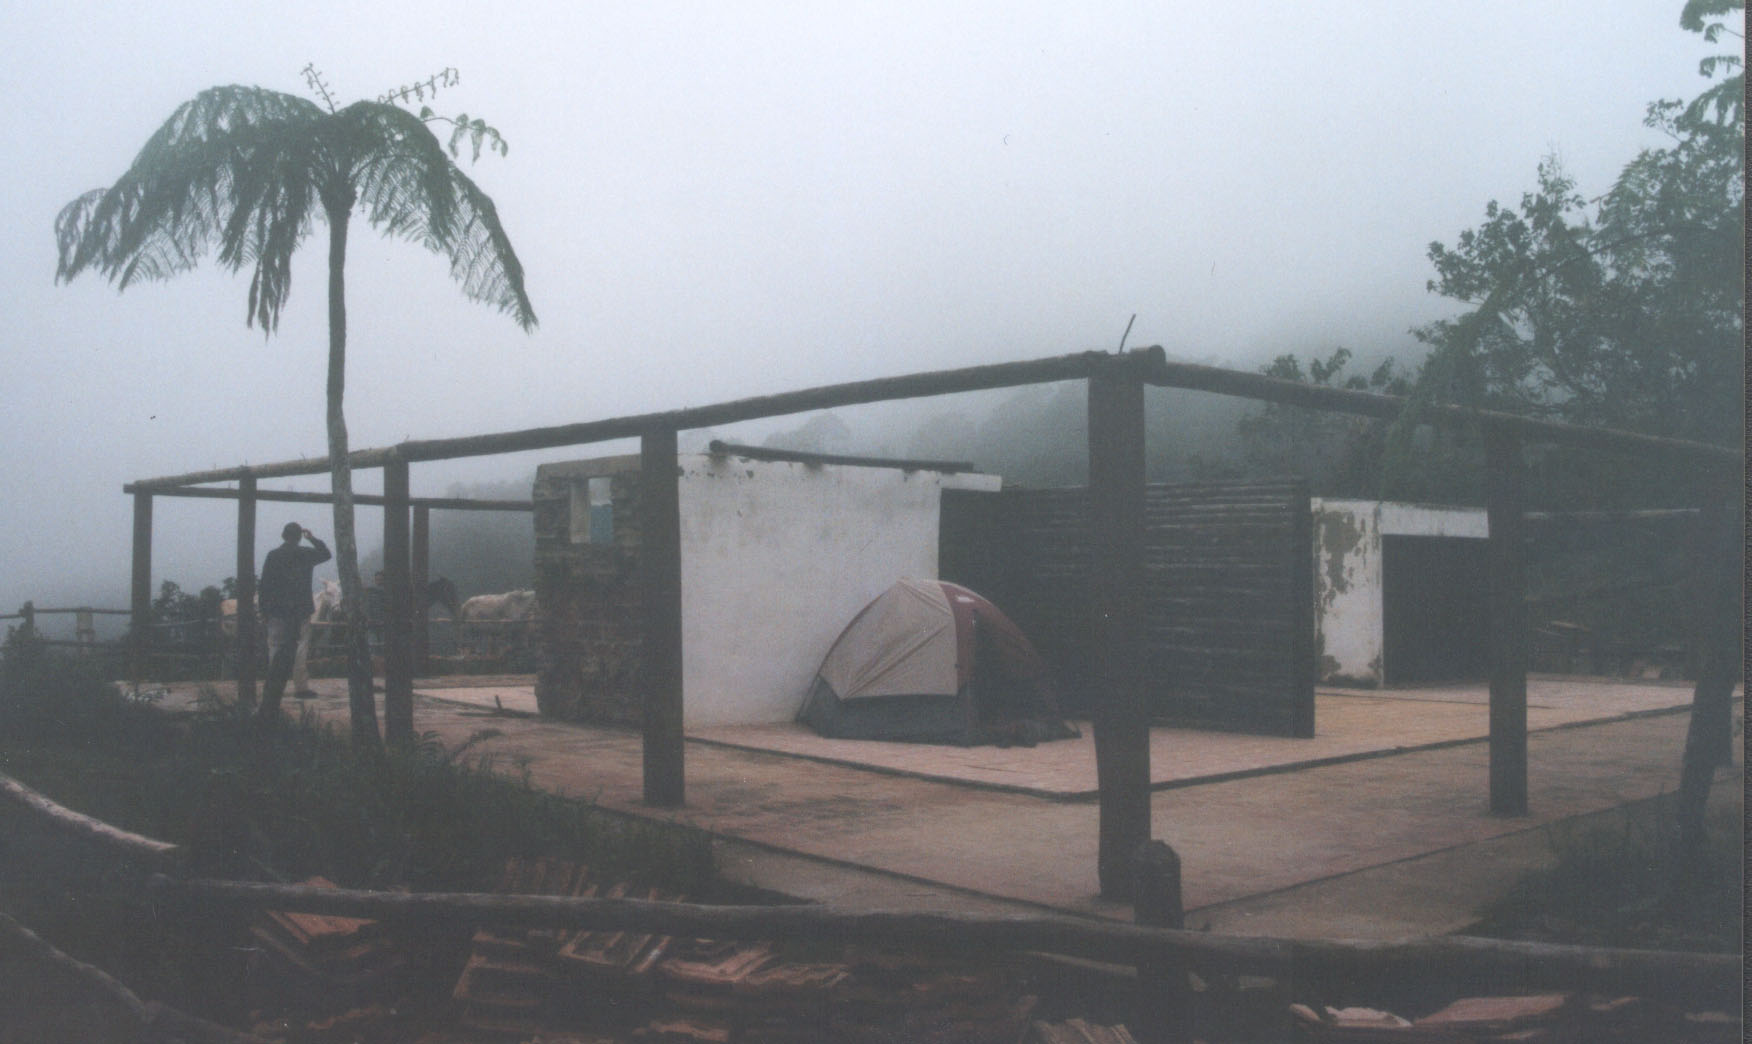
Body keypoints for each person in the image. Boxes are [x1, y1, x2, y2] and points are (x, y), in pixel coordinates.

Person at [257, 522, 331, 720]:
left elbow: (264, 584)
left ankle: (272, 689)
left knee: (275, 647)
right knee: (300, 648)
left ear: (283, 536)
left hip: (277, 610)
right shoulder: (305, 553)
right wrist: (312, 538)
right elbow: (326, 554)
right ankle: (301, 687)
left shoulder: (273, 555)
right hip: (300, 609)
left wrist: (264, 610)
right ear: (299, 536)